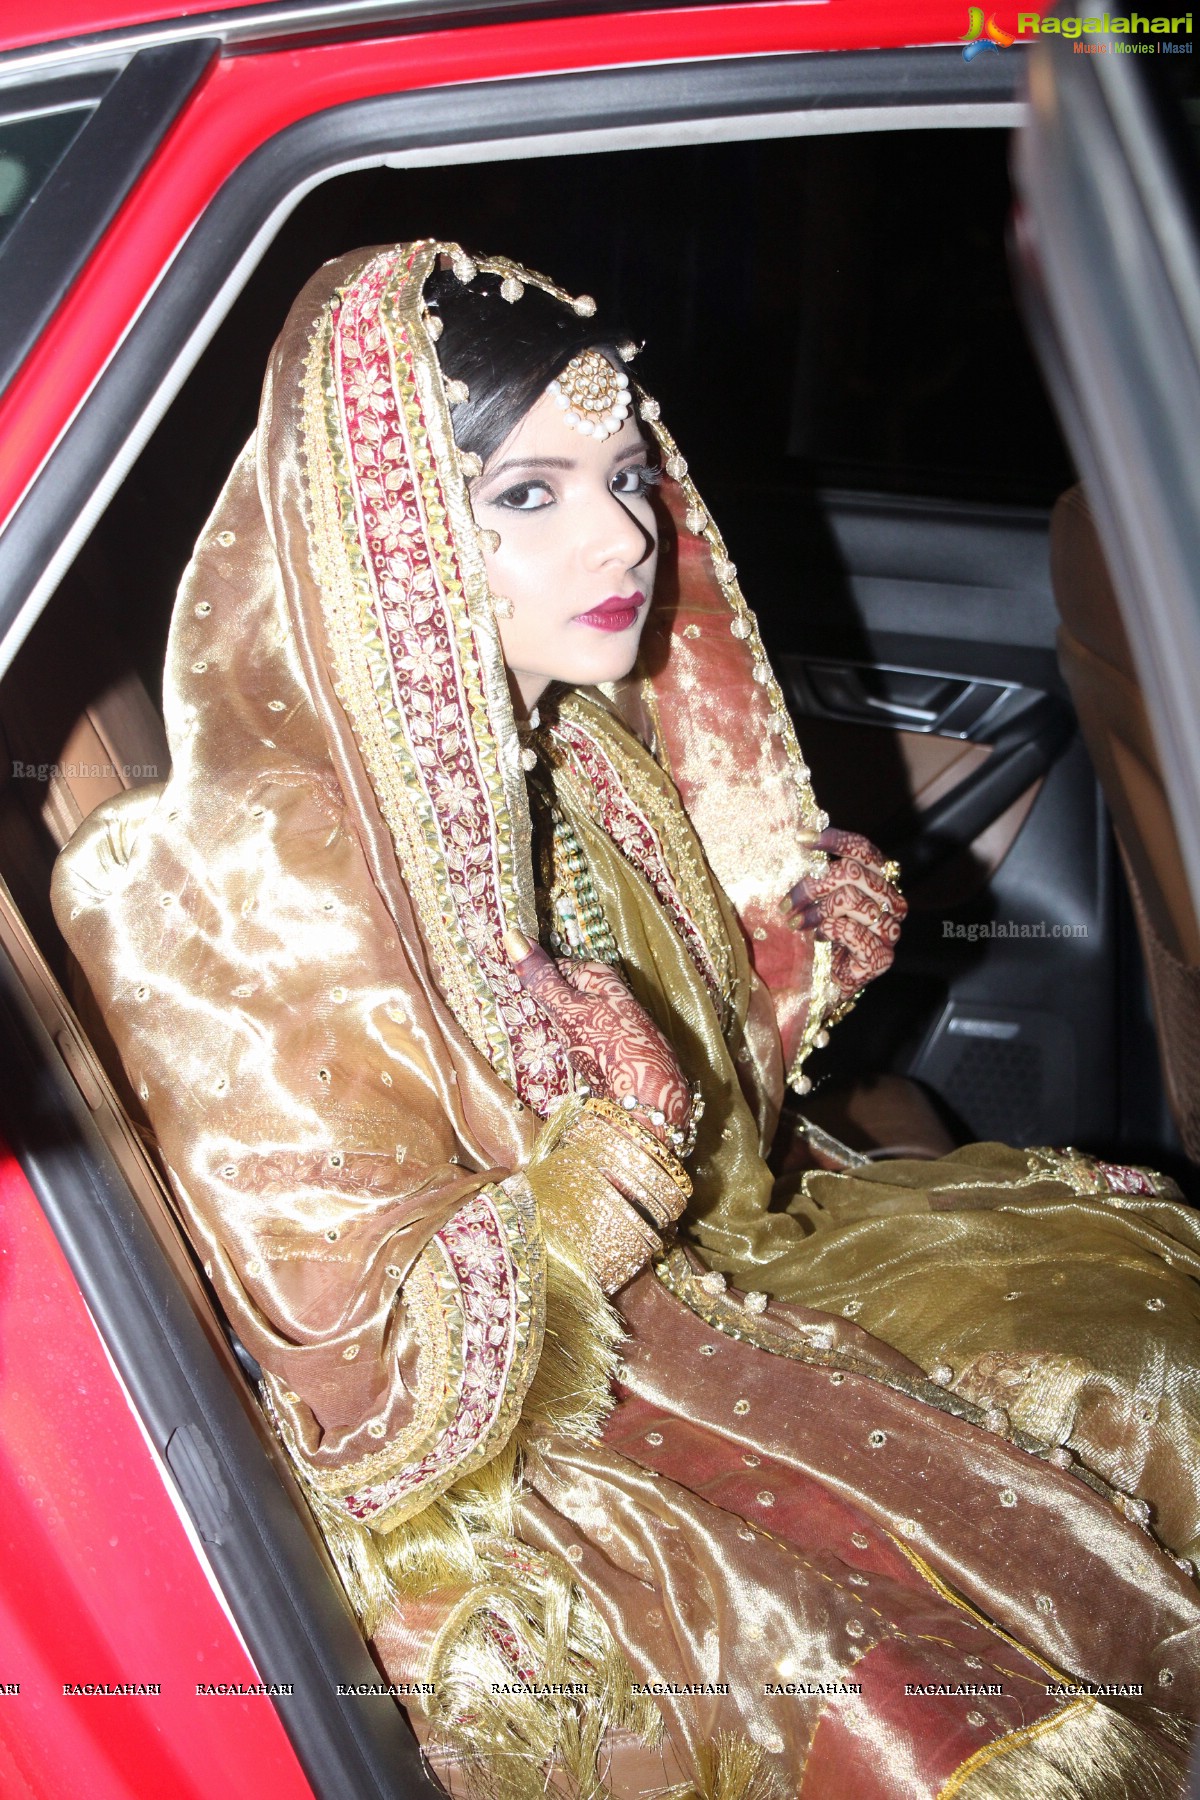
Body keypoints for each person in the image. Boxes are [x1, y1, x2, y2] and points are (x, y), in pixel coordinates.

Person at [51, 241, 1200, 1799]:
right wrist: (599, 1181)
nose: (623, 532)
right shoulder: (231, 882)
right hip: (510, 1473)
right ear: (383, 530)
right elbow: (356, 1395)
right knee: (963, 1725)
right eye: (526, 493)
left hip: (701, 1288)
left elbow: (700, 1107)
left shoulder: (575, 752)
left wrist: (786, 968)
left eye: (625, 473)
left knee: (1148, 1356)